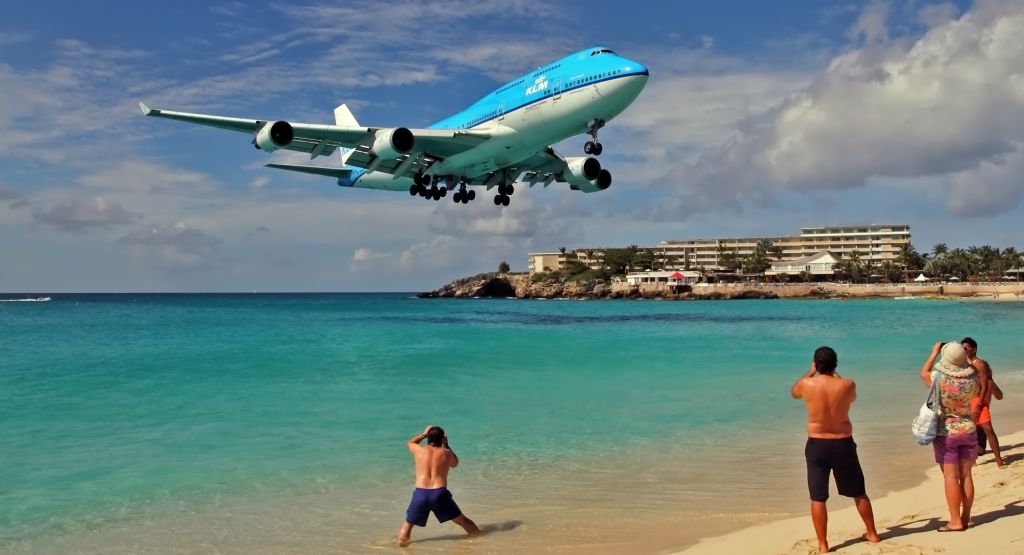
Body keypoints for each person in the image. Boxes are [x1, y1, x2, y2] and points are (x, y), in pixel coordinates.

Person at [791, 346, 880, 553]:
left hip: (817, 444)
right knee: (859, 492)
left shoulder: (806, 384)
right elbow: (852, 397)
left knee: (818, 497)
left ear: (816, 364)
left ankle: (823, 545)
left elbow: (794, 392)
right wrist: (834, 374)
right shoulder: (847, 385)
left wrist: (811, 371)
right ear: (836, 364)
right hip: (843, 443)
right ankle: (872, 534)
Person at [919, 341, 980, 532]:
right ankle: (966, 517)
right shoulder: (974, 378)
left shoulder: (939, 378)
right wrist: (963, 359)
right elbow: (970, 370)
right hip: (969, 430)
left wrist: (933, 353)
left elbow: (923, 374)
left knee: (951, 477)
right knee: (967, 476)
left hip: (946, 433)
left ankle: (955, 521)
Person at [397, 425, 481, 546]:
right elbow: (455, 464)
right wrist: (446, 445)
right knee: (463, 521)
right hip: (439, 494)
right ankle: (480, 540)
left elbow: (410, 442)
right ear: (442, 439)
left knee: (408, 525)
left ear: (428, 438)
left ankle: (401, 548)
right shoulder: (446, 453)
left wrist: (424, 433)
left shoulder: (419, 450)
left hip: (421, 493)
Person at [962, 337, 1005, 467]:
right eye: (961, 348)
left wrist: (980, 404)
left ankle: (999, 461)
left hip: (978, 400)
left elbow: (985, 385)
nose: (963, 350)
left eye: (966, 348)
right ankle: (972, 460)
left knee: (988, 429)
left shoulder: (980, 364)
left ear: (973, 349)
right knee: (970, 430)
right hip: (968, 400)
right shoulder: (964, 364)